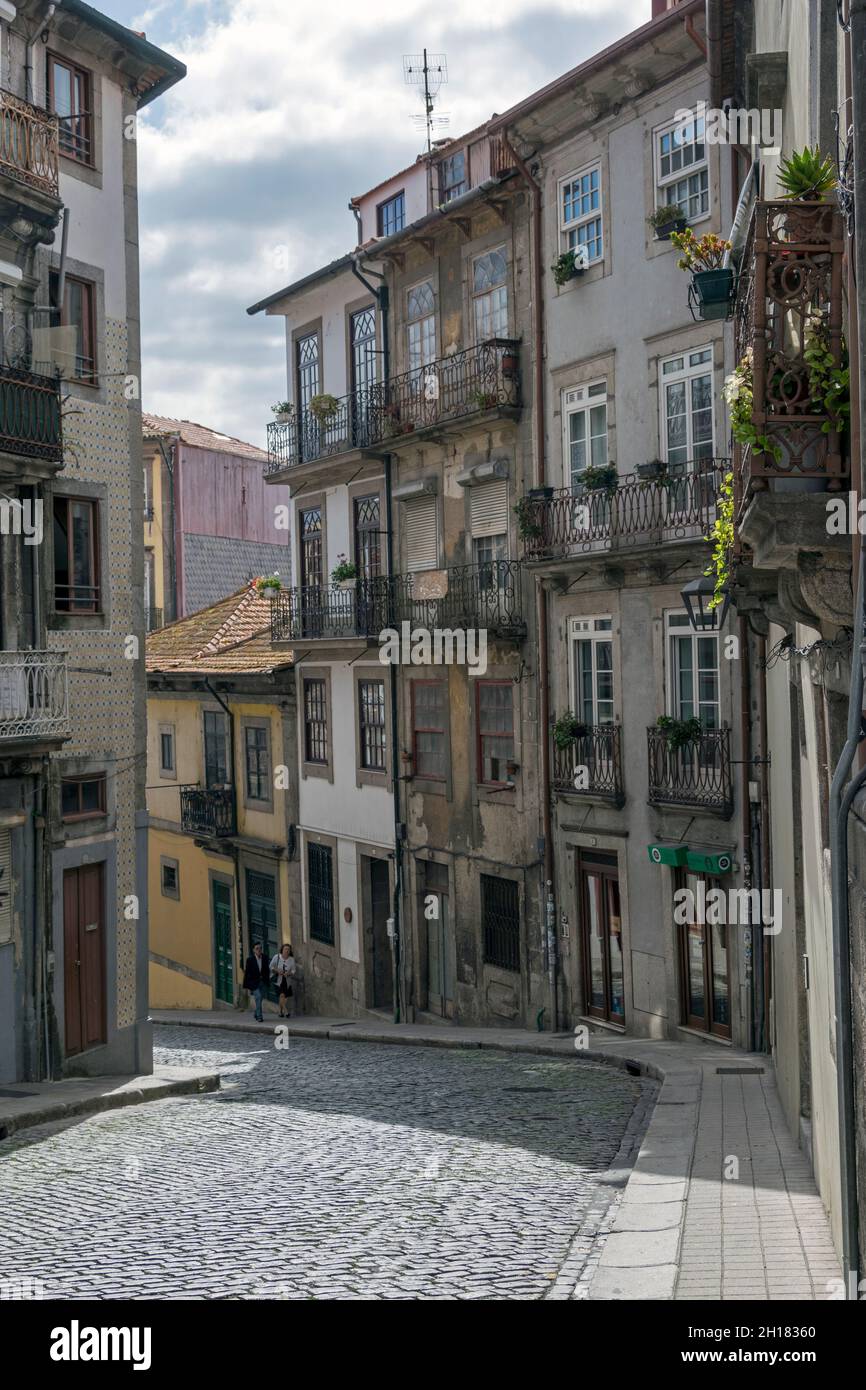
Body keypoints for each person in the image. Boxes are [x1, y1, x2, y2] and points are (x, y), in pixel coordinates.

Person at [243, 941, 270, 1021]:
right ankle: (259, 1016)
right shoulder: (250, 960)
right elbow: (247, 972)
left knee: (260, 998)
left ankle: (256, 1012)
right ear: (254, 950)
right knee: (258, 996)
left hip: (263, 981)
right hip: (254, 982)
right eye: (257, 948)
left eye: (260, 948)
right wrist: (247, 984)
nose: (259, 950)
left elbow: (267, 970)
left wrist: (267, 980)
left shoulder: (265, 957)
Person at [270, 943, 296, 1018]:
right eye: (285, 949)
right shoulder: (277, 957)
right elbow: (271, 966)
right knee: (282, 995)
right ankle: (286, 1011)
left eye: (288, 949)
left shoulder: (291, 959)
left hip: (287, 980)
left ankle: (280, 1011)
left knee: (285, 997)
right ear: (282, 950)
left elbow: (294, 970)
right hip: (278, 980)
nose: (287, 951)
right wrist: (277, 970)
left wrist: (289, 973)